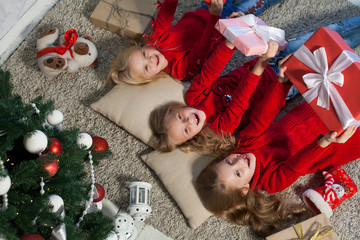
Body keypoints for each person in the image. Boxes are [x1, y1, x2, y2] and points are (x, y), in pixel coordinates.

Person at [149, 15, 360, 153]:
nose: (188, 120)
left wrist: (231, 41)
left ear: (177, 107)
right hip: (281, 81)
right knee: (334, 53)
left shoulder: (194, 96)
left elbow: (211, 69)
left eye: (180, 117)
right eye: (187, 130)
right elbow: (240, 101)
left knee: (325, 32)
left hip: (265, 60)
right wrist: (263, 62)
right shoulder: (218, 129)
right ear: (192, 139)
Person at [195, 75, 360, 236]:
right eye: (238, 173)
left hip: (316, 111)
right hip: (334, 142)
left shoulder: (244, 144)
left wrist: (281, 83)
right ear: (245, 189)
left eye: (229, 162)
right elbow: (298, 165)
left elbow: (263, 116)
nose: (239, 160)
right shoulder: (271, 182)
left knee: (349, 79)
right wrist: (325, 141)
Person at [106, 0, 283, 85]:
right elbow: (203, 47)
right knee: (252, 3)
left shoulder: (154, 43)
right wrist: (215, 15)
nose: (150, 59)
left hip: (204, 11)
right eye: (146, 67)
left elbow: (164, 18)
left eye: (144, 54)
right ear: (150, 78)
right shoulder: (180, 71)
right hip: (226, 25)